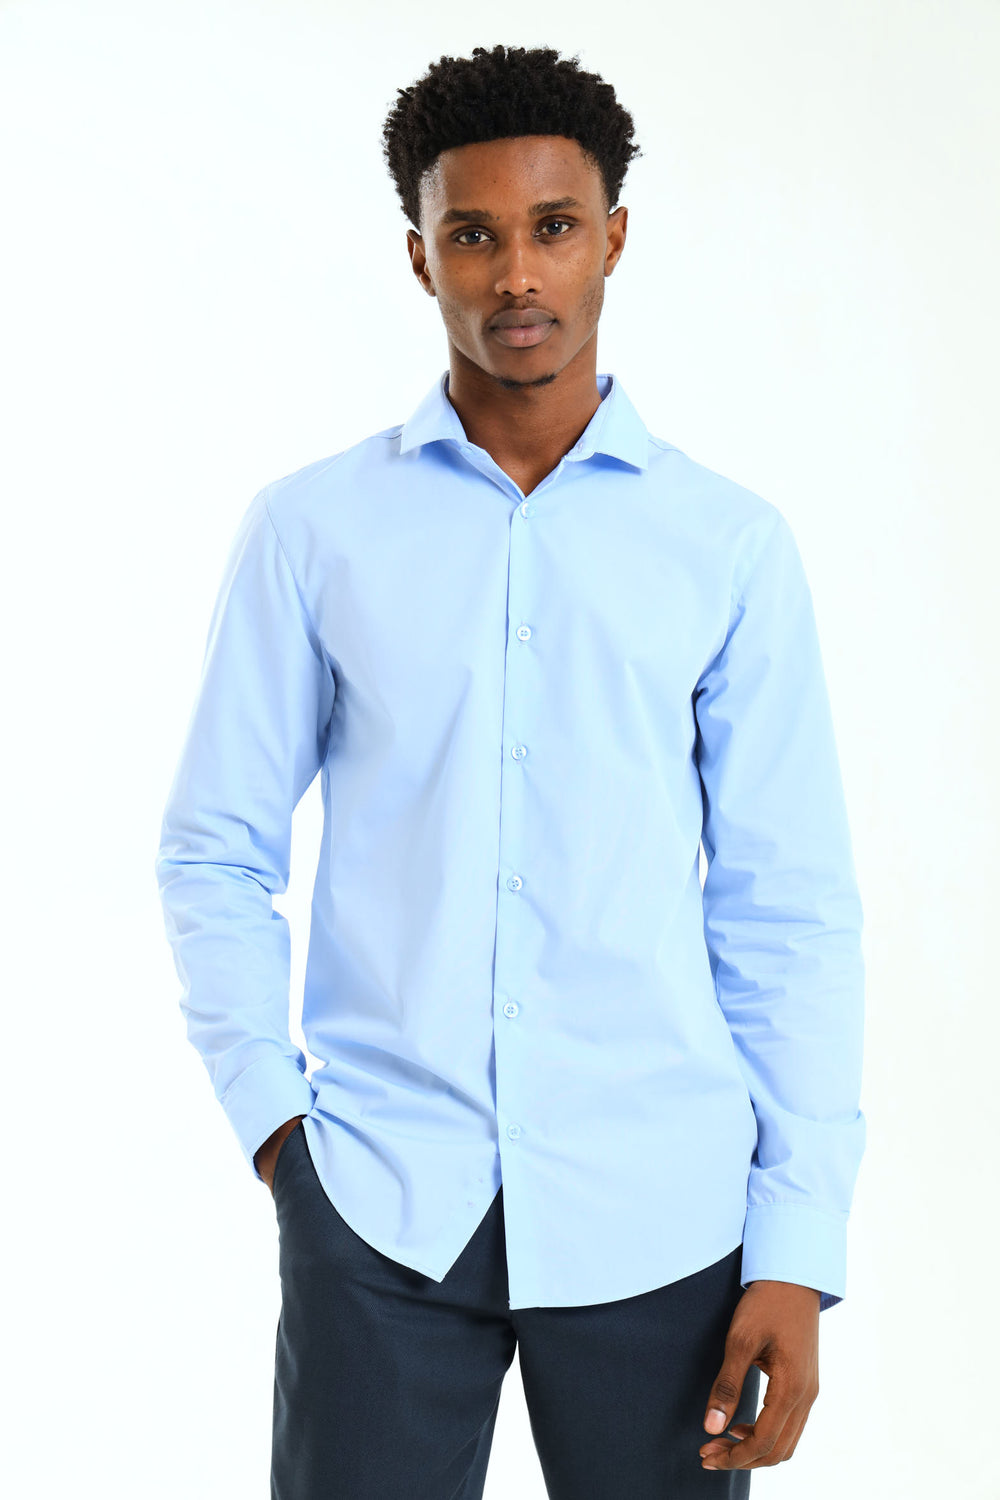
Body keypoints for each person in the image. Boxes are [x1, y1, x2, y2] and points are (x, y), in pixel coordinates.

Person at [154, 42, 866, 1499]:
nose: (517, 275)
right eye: (473, 235)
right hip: (383, 1208)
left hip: (663, 1218)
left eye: (553, 227)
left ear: (614, 237)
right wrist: (282, 1136)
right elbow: (214, 849)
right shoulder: (313, 532)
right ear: (421, 257)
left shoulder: (728, 548)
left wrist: (796, 1248)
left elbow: (788, 910)